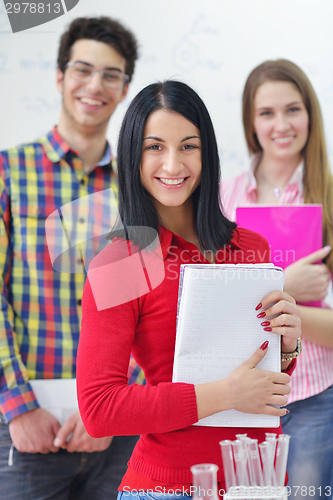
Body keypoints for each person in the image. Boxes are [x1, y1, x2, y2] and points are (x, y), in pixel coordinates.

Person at [76, 80, 301, 499]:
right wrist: (225, 394)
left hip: (259, 480)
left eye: (189, 146)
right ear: (132, 155)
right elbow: (100, 409)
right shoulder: (121, 264)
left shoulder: (252, 248)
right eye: (155, 147)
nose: (174, 164)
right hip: (169, 486)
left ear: (207, 153)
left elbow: (267, 383)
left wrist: (287, 346)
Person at [0, 16, 142, 500]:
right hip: (25, 429)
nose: (95, 85)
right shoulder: (8, 173)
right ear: (60, 76)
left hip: (118, 434)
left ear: (125, 89)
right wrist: (18, 406)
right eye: (83, 69)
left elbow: (153, 309)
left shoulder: (137, 189)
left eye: (111, 74)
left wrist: (113, 408)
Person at [221, 59, 333, 498]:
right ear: (251, 122)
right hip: (238, 400)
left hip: (312, 400)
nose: (281, 124)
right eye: (267, 113)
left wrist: (283, 306)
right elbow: (208, 307)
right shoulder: (221, 198)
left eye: (293, 109)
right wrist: (286, 288)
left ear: (310, 114)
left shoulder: (328, 199)